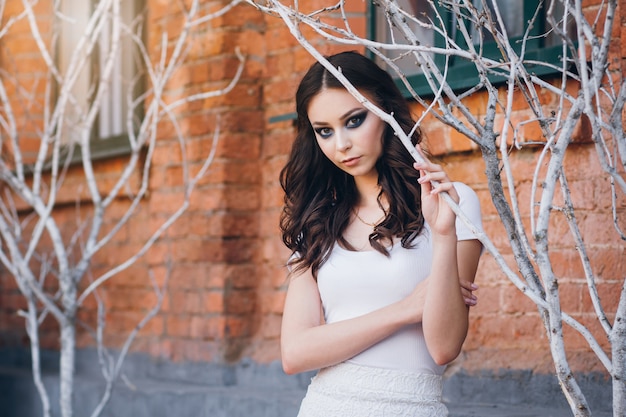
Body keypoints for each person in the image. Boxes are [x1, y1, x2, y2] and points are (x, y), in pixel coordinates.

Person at [279, 51, 483, 417]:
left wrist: (443, 234)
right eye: (324, 130)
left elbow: (444, 347)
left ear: (387, 112)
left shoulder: (453, 203)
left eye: (354, 120)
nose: (340, 144)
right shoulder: (317, 220)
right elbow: (294, 354)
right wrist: (406, 309)